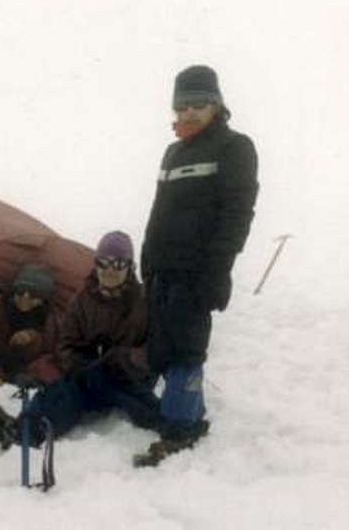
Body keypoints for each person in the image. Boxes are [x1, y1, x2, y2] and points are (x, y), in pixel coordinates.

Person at [135, 65, 259, 467]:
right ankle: (188, 410)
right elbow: (159, 212)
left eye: (198, 105)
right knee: (162, 346)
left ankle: (180, 429)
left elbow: (237, 215)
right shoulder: (173, 151)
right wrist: (146, 261)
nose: (188, 114)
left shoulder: (234, 147)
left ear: (216, 105)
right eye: (181, 106)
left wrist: (217, 270)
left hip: (196, 271)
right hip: (162, 270)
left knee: (186, 349)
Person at [0, 231, 161, 449]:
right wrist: (80, 365)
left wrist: (126, 360)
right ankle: (24, 431)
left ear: (129, 266)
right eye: (103, 263)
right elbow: (66, 343)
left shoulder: (144, 302)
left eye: (118, 264)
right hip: (90, 374)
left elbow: (156, 350)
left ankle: (173, 428)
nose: (110, 270)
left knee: (133, 397)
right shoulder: (83, 300)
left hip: (130, 376)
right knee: (61, 392)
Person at [0, 263, 62, 386]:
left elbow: (56, 355)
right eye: (21, 290)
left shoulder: (51, 321)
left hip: (29, 368)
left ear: (44, 298)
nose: (25, 297)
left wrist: (33, 338)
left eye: (34, 293)